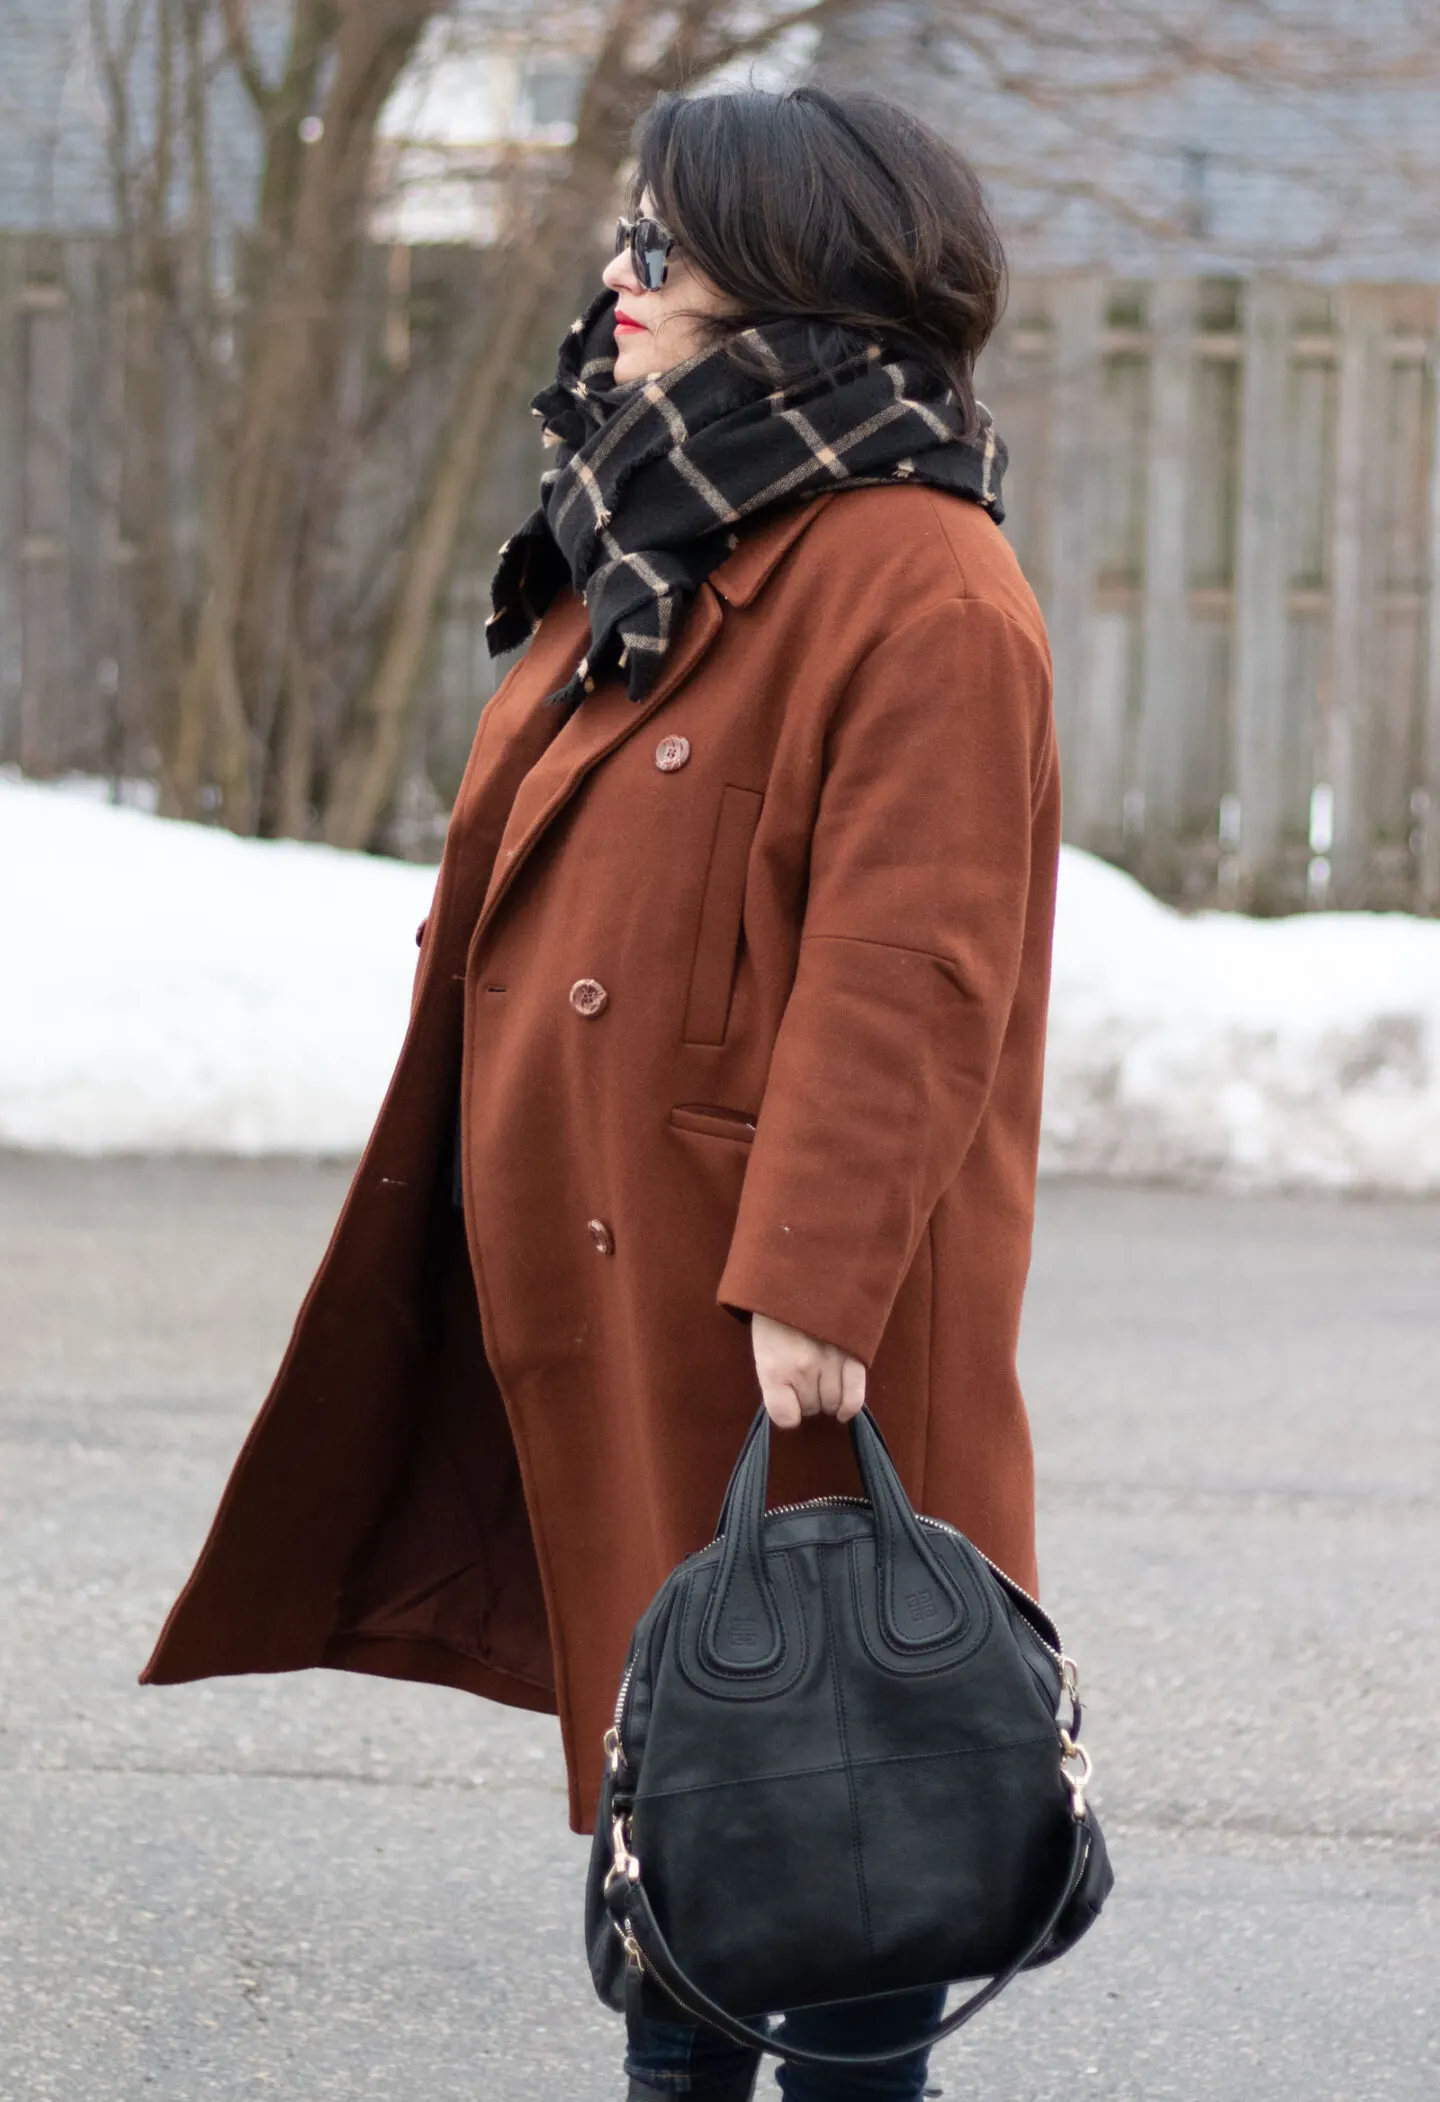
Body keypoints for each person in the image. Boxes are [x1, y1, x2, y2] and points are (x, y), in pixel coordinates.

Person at [143, 83, 1059, 2102]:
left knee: (840, 1773)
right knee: (690, 1757)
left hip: (794, 1308)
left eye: (661, 247)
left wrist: (814, 1276)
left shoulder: (917, 568)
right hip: (616, 1257)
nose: (617, 280)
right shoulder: (652, 522)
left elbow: (915, 959)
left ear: (794, 278)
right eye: (625, 241)